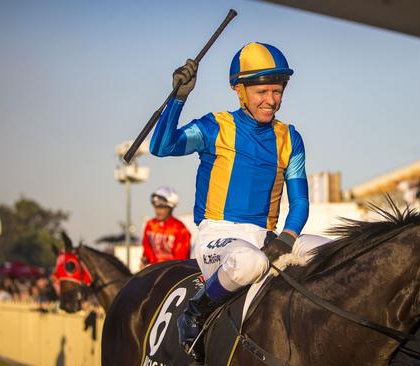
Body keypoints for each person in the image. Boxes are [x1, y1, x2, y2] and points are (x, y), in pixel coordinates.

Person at [149, 42, 328, 362]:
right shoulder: (215, 127)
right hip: (217, 236)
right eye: (262, 92)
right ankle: (194, 313)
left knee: (338, 252)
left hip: (269, 236)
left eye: (277, 91)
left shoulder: (290, 137)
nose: (271, 100)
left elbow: (300, 201)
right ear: (239, 90)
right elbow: (162, 146)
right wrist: (179, 97)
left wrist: (287, 239)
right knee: (250, 263)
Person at [140, 186, 191, 268]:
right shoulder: (150, 225)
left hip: (172, 272)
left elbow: (180, 259)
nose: (158, 211)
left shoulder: (180, 229)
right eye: (156, 207)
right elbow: (146, 250)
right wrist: (145, 260)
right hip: (152, 270)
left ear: (171, 208)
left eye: (162, 207)